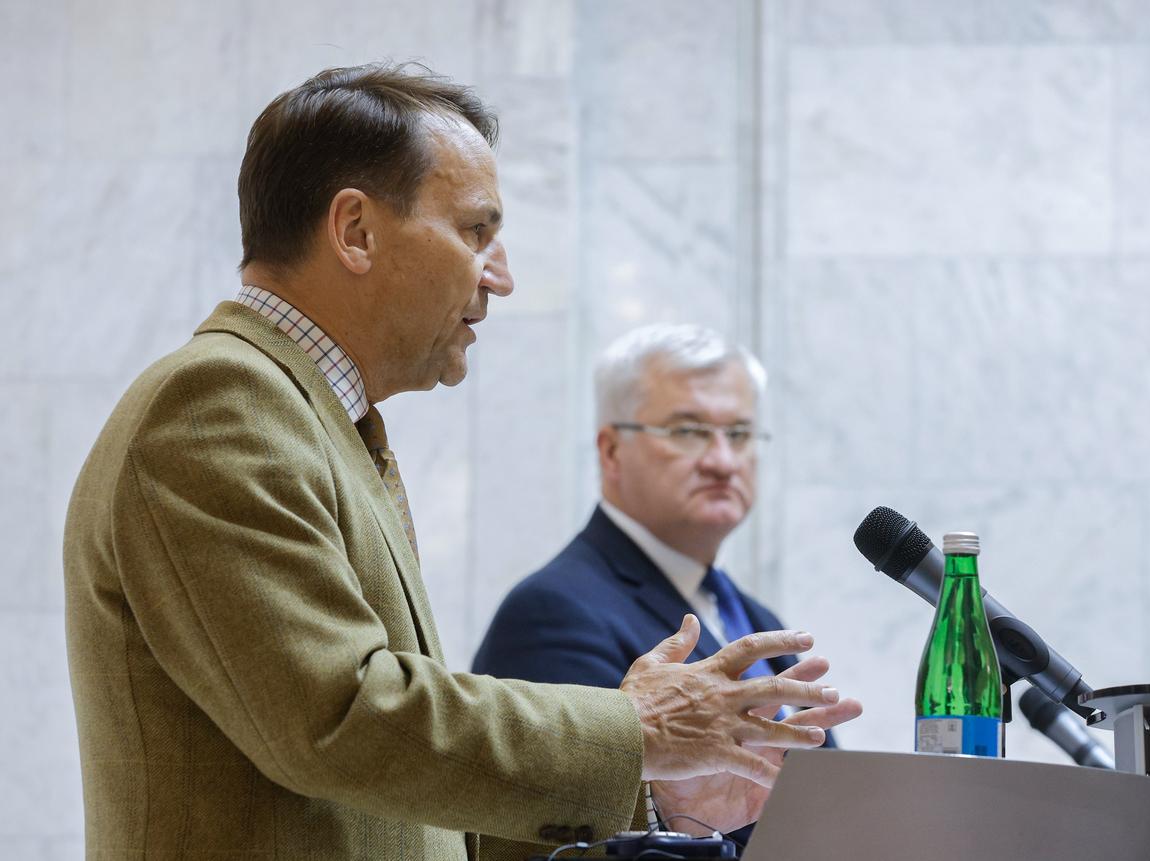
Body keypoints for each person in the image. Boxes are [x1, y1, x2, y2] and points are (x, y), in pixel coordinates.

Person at [63, 65, 859, 860]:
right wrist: (636, 731)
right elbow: (340, 717)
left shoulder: (309, 413)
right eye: (477, 231)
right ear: (355, 231)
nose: (500, 276)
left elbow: (401, 794)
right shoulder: (220, 402)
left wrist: (651, 789)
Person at [473, 326, 857, 811]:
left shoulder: (754, 616)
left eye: (739, 434)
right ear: (611, 451)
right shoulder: (553, 613)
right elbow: (571, 818)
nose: (722, 461)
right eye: (688, 432)